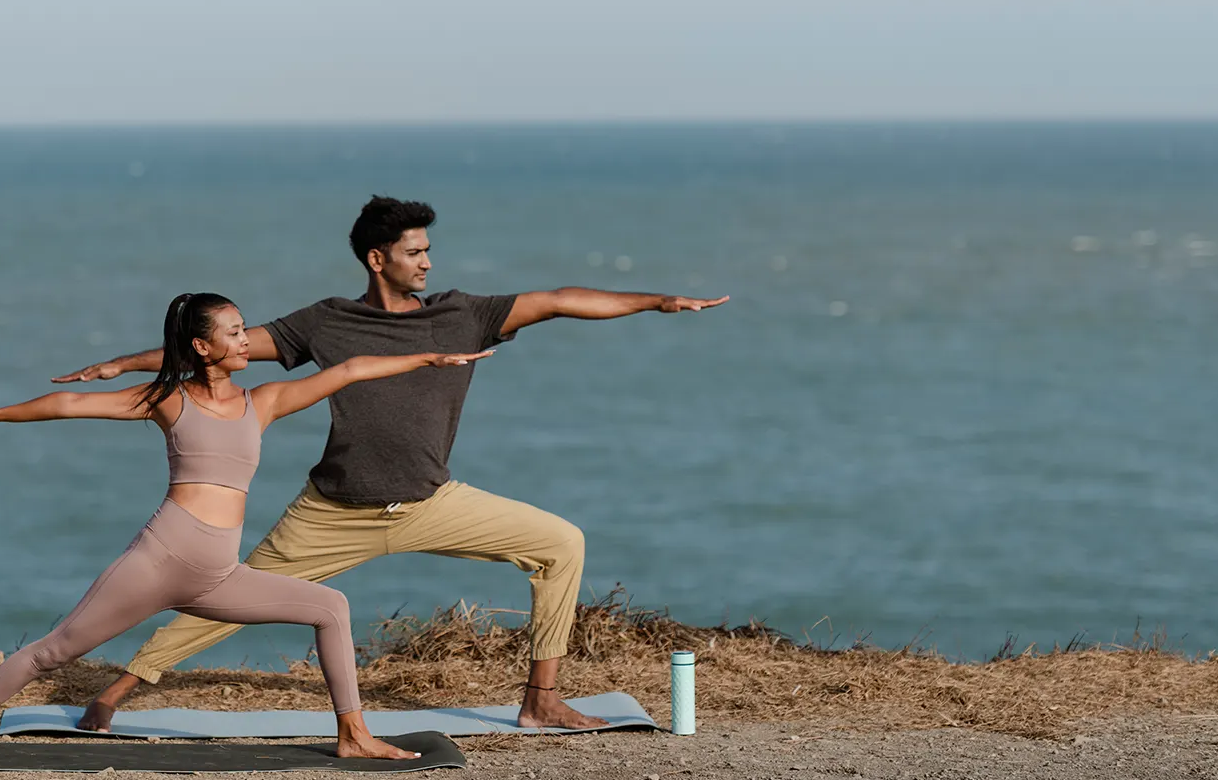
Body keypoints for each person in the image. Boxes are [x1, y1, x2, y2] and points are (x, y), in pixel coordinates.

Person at [56, 196, 727, 732]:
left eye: (428, 250)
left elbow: (557, 300)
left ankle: (541, 699)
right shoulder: (327, 322)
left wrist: (655, 301)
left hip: (431, 502)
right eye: (415, 252)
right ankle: (115, 692)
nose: (427, 262)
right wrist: (124, 363)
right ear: (378, 259)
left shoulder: (464, 314)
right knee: (224, 599)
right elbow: (218, 348)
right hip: (332, 512)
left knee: (562, 544)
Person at [0, 291, 492, 762]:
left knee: (330, 606)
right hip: (159, 559)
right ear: (202, 345)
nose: (246, 341)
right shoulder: (167, 399)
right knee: (53, 652)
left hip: (217, 574)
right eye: (234, 332)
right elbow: (68, 405)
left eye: (244, 331)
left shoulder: (263, 402)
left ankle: (354, 734)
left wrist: (429, 359)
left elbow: (351, 370)